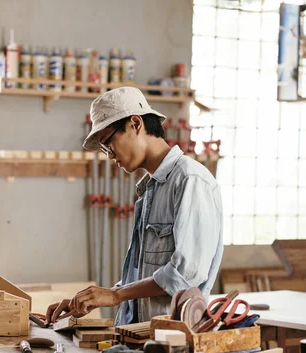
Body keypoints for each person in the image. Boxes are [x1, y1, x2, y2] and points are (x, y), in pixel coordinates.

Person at [45, 87, 223, 326]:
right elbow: (145, 279)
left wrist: (116, 295)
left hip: (175, 341)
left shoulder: (190, 180)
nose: (109, 155)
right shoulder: (150, 190)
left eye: (109, 143)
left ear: (136, 124)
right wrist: (94, 298)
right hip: (138, 336)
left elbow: (184, 275)